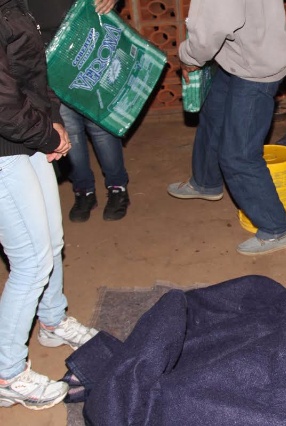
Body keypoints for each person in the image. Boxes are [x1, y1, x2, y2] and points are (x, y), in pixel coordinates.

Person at [0, 0, 97, 409]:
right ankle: (6, 373)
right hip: (6, 145)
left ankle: (52, 321)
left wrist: (52, 120)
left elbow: (30, 77)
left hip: (27, 137)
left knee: (53, 242)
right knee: (31, 261)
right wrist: (48, 134)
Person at [167, 0, 286, 256]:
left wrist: (189, 56)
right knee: (214, 115)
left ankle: (277, 228)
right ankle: (206, 182)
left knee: (239, 154)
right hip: (244, 52)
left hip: (255, 69)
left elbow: (210, 29)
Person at [29, 0, 131, 223]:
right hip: (47, 57)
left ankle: (117, 187)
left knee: (100, 125)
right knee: (68, 129)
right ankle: (83, 191)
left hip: (88, 47)